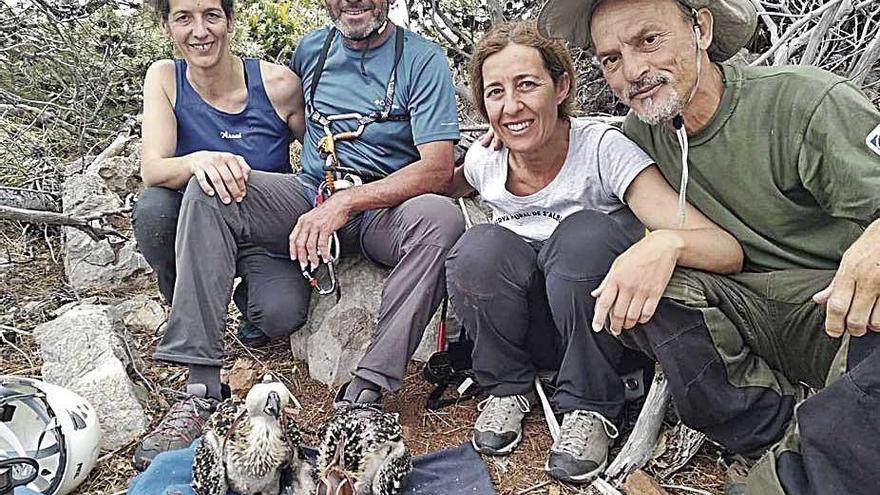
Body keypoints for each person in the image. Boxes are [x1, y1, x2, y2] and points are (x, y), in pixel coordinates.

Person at [538, 0, 880, 493]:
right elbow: (567, 149)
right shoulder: (639, 135)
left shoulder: (804, 102)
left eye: (648, 40)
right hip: (741, 309)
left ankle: (785, 480)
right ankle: (770, 429)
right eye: (610, 58)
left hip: (836, 313)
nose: (632, 71)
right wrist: (502, 139)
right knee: (644, 287)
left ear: (700, 28)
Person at [133, 0, 463, 471]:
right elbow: (293, 130)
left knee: (442, 219)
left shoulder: (421, 59)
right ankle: (200, 386)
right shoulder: (311, 51)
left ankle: (365, 393)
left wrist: (346, 203)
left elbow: (435, 167)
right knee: (210, 187)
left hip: (384, 208)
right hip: (310, 193)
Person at [445, 22, 743, 484]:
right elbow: (447, 180)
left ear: (561, 86)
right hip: (533, 329)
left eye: (527, 85)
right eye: (495, 93)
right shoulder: (486, 160)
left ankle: (591, 406)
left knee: (584, 235)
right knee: (478, 248)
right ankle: (506, 386)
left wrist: (666, 242)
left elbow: (723, 248)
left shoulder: (602, 148)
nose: (512, 106)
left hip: (601, 326)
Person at [133, 0, 305, 349]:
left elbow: (320, 162)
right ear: (166, 25)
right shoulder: (165, 78)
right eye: (183, 18)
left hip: (263, 232)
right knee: (154, 209)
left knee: (282, 315)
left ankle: (251, 305)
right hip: (195, 227)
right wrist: (200, 161)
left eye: (211, 16)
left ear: (230, 20)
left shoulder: (279, 85)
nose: (200, 31)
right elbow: (153, 169)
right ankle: (182, 302)